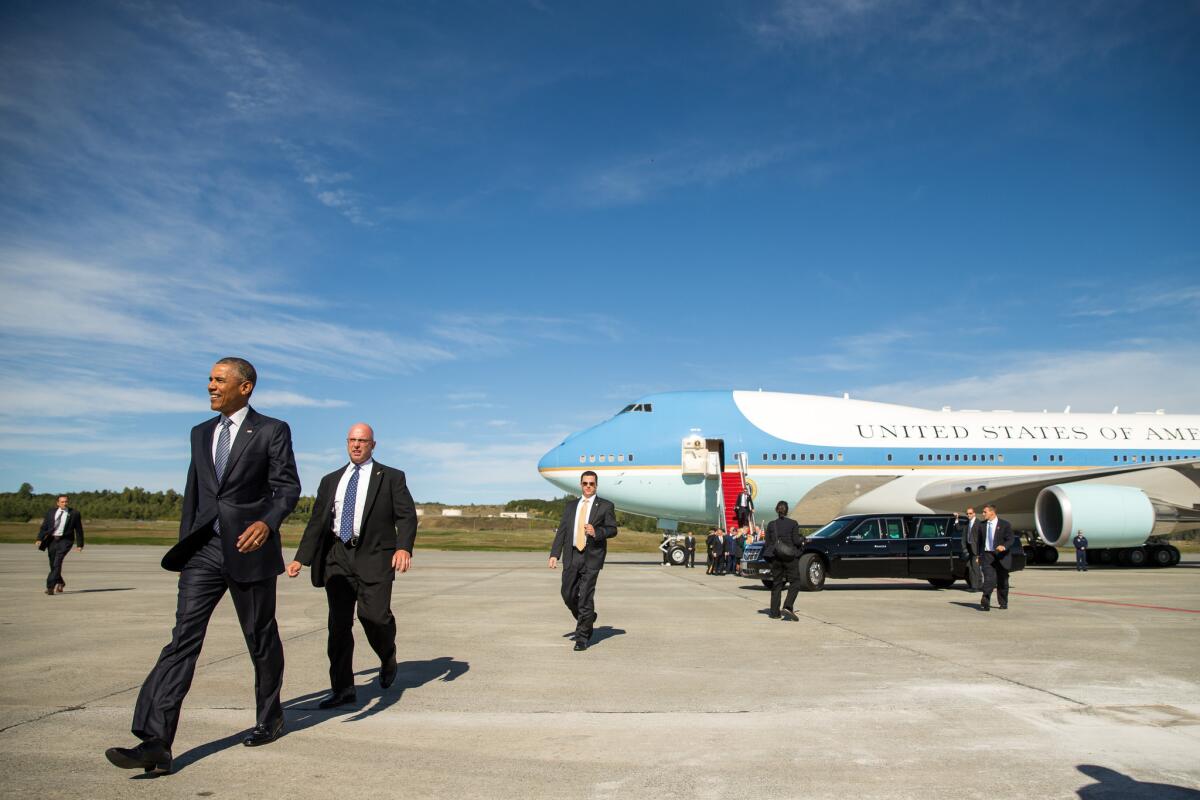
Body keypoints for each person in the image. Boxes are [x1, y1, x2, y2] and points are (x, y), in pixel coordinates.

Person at [106, 358, 300, 775]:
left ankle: (271, 717)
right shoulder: (200, 433)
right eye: (210, 379)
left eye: (219, 380)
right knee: (182, 640)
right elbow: (195, 493)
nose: (210, 386)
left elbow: (288, 489)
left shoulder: (271, 430)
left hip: (249, 548)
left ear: (244, 387)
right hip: (204, 552)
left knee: (260, 638)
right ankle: (156, 740)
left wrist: (267, 524)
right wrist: (186, 545)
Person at [288, 423, 418, 709]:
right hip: (337, 557)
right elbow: (318, 523)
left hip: (375, 557)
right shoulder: (330, 479)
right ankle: (343, 688)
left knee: (375, 617)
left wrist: (403, 548)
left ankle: (387, 654)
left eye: (362, 441)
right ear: (347, 443)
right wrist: (302, 557)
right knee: (338, 626)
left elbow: (407, 517)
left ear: (373, 444)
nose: (357, 445)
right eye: (352, 440)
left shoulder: (391, 477)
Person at [548, 471, 618, 651]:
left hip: (592, 556)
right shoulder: (571, 506)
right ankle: (587, 617)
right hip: (572, 555)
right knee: (567, 594)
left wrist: (597, 532)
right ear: (581, 485)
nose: (588, 487)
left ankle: (582, 637)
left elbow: (612, 529)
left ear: (596, 485)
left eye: (592, 484)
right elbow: (562, 531)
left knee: (585, 596)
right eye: (585, 483)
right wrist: (555, 554)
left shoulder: (605, 506)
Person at [36, 494, 84, 595]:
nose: (64, 503)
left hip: (65, 541)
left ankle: (50, 587)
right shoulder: (50, 512)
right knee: (53, 565)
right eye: (62, 502)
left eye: (66, 501)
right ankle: (61, 582)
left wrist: (80, 544)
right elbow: (44, 526)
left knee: (57, 562)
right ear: (58, 503)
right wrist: (39, 538)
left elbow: (79, 530)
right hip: (52, 540)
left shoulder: (74, 513)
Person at [764, 501, 803, 621]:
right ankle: (787, 606)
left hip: (776, 557)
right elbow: (796, 541)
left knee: (777, 584)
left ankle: (774, 613)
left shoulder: (771, 525)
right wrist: (803, 539)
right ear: (787, 511)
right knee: (795, 582)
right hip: (790, 557)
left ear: (777, 510)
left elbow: (768, 543)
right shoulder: (793, 523)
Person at [975, 504, 1015, 611]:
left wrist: (1004, 546)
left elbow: (1011, 539)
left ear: (992, 512)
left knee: (1003, 581)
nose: (983, 514)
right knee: (989, 579)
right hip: (987, 555)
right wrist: (978, 555)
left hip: (1002, 556)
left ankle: (1003, 602)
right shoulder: (982, 525)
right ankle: (985, 600)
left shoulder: (1004, 524)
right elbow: (979, 542)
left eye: (985, 512)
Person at [956, 507, 983, 590]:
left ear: (974, 513)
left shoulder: (979, 523)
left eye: (970, 513)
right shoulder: (967, 523)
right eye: (967, 514)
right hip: (969, 549)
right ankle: (974, 586)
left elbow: (981, 538)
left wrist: (980, 552)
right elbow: (958, 528)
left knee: (975, 568)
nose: (968, 515)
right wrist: (956, 518)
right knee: (971, 568)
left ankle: (977, 586)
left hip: (976, 550)